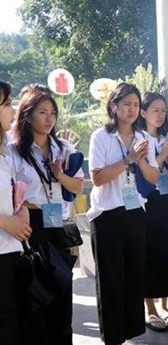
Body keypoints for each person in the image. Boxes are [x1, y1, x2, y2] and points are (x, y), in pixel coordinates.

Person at [8, 89, 84, 345]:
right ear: (27, 116)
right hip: (32, 224)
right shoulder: (14, 151)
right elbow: (10, 192)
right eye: (42, 112)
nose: (49, 118)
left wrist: (59, 175)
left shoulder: (63, 148)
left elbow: (77, 187)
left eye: (53, 113)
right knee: (36, 294)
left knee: (62, 290)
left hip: (58, 224)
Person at [87, 83, 160, 345]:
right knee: (111, 279)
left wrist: (139, 159)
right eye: (127, 104)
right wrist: (128, 159)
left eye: (136, 105)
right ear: (114, 106)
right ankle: (113, 338)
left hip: (134, 212)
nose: (132, 109)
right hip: (107, 214)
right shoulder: (101, 136)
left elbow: (153, 179)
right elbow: (97, 178)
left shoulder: (146, 140)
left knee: (133, 275)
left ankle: (132, 333)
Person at [138, 92, 168, 332]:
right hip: (149, 199)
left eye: (163, 110)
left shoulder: (167, 137)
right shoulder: (139, 139)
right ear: (143, 113)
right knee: (150, 252)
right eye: (155, 110)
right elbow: (146, 171)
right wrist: (163, 153)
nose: (160, 114)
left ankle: (166, 305)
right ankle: (150, 308)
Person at [0, 81, 32, 345]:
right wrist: (4, 221)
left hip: (10, 253)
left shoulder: (4, 155)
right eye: (8, 104)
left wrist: (20, 214)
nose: (14, 110)